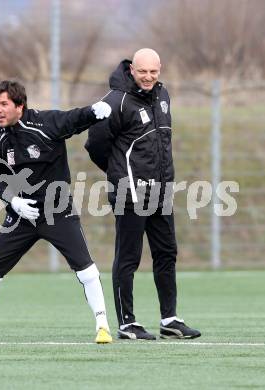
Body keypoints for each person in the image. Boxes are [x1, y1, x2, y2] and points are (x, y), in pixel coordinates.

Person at [0, 80, 113, 344]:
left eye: (3, 104)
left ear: (19, 105)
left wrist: (95, 112)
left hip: (58, 212)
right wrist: (13, 201)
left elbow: (73, 119)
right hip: (22, 216)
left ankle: (103, 326)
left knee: (85, 269)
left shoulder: (45, 124)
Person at [85, 49, 201, 340]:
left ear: (160, 69)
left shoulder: (163, 96)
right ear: (131, 70)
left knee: (167, 252)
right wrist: (117, 173)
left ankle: (169, 319)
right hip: (129, 192)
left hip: (161, 191)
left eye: (153, 72)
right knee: (129, 256)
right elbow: (95, 144)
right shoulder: (116, 101)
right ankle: (127, 323)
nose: (148, 77)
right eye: (142, 72)